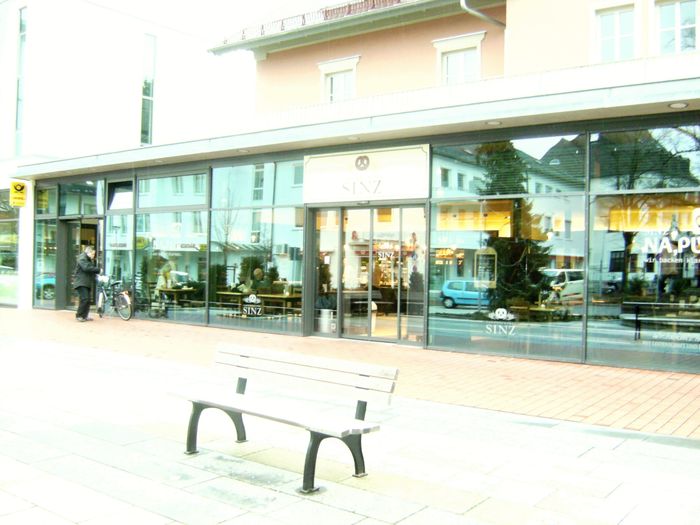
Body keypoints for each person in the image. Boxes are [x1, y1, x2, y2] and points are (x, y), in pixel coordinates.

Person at [72, 245, 100, 322]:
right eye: (92, 254)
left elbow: (90, 270)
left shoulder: (87, 259)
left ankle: (84, 316)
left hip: (86, 282)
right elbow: (86, 268)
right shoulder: (82, 258)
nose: (93, 256)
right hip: (81, 282)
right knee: (85, 299)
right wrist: (98, 270)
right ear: (88, 252)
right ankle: (79, 315)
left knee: (87, 300)